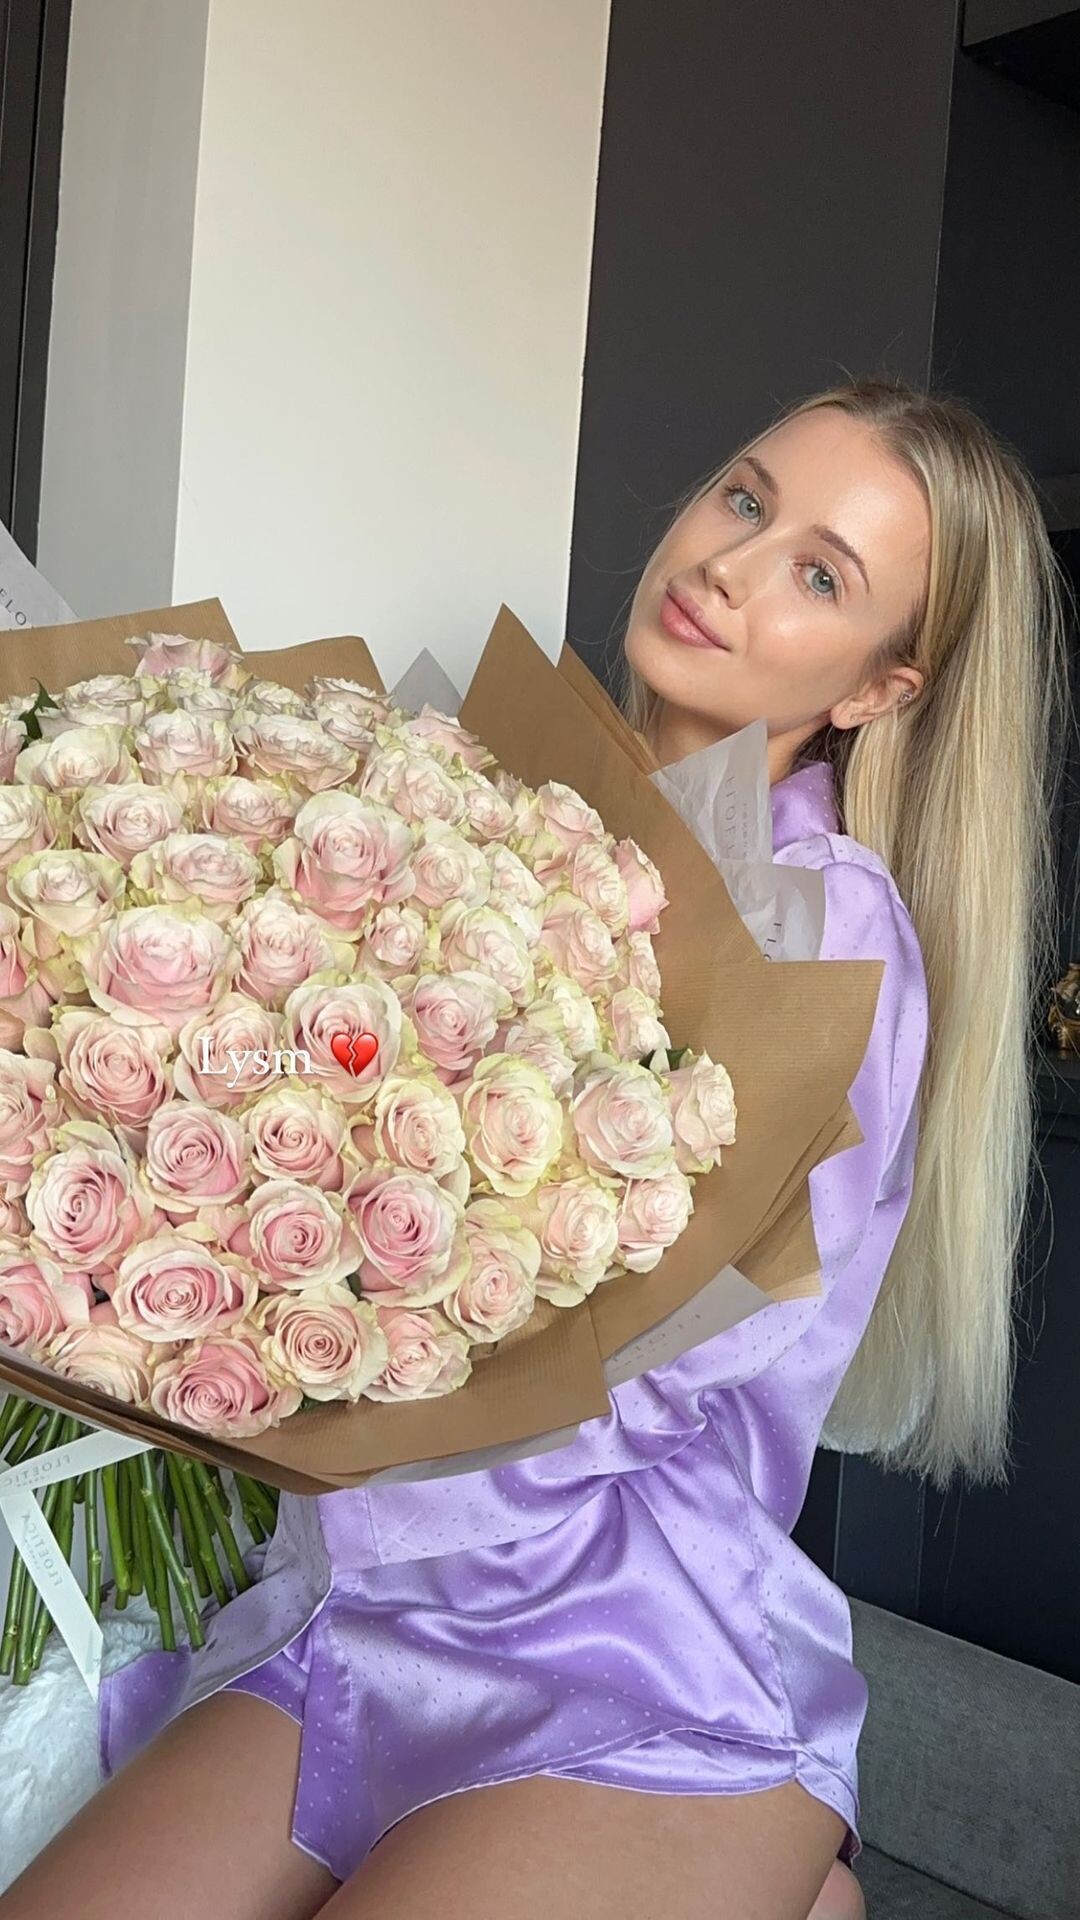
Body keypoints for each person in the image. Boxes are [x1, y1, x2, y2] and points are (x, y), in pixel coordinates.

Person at [0, 378, 1066, 1920]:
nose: (729, 567)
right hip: (354, 1618)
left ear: (877, 689)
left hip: (626, 1650)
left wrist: (335, 1341)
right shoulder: (487, 819)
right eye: (746, 498)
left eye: (820, 574)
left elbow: (688, 1355)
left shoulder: (826, 924)